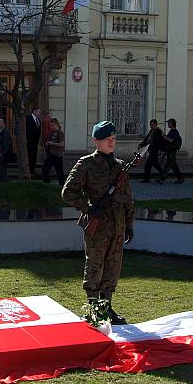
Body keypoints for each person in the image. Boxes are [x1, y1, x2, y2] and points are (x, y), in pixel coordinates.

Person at [62, 121, 134, 325]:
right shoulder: (86, 164)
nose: (112, 143)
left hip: (117, 226)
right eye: (107, 139)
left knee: (113, 267)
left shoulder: (121, 167)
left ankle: (106, 307)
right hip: (97, 226)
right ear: (96, 141)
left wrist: (129, 224)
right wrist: (88, 207)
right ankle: (93, 308)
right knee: (94, 266)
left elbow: (128, 199)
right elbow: (68, 192)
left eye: (113, 139)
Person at [159, 118, 184, 184]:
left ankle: (162, 178)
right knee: (174, 166)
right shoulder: (171, 131)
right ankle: (180, 178)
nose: (168, 124)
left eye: (169, 123)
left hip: (172, 150)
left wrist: (165, 137)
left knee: (168, 164)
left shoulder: (175, 132)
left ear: (172, 124)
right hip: (169, 150)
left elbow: (171, 140)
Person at [42, 117, 66, 184]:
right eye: (50, 125)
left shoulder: (60, 133)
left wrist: (51, 143)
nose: (51, 127)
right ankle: (46, 182)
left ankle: (62, 184)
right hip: (51, 154)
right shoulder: (52, 133)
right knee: (45, 169)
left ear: (57, 124)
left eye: (52, 125)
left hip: (57, 155)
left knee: (59, 171)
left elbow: (62, 144)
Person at [25, 106, 42, 176]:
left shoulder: (38, 120)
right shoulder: (28, 118)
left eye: (40, 112)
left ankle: (32, 169)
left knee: (34, 155)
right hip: (29, 141)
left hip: (35, 142)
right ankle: (28, 170)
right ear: (34, 111)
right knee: (29, 155)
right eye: (38, 111)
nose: (39, 113)